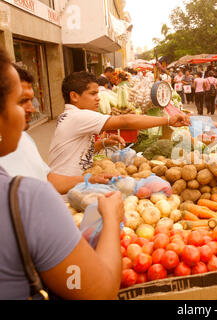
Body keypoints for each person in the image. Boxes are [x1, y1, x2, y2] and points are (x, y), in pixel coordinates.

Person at [0, 48, 124, 300]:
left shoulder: (24, 143)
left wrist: (87, 179)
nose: (32, 109)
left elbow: (48, 177)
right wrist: (111, 219)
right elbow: (100, 293)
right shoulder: (26, 199)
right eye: (19, 101)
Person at [48, 71, 190, 177]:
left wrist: (104, 143)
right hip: (66, 189)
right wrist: (167, 120)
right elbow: (125, 121)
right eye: (93, 94)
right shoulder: (78, 116)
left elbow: (78, 151)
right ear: (74, 96)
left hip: (71, 183)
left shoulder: (69, 115)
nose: (98, 99)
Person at [0, 65, 115, 195]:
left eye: (31, 100)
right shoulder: (75, 116)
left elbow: (48, 179)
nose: (32, 109)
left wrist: (90, 180)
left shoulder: (24, 139)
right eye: (22, 101)